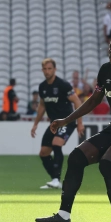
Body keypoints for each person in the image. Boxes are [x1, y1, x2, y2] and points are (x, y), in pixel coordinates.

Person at [35, 34, 111, 222]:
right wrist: (66, 120)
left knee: (107, 164)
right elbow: (94, 100)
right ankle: (63, 217)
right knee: (76, 157)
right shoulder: (106, 70)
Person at [31, 58, 84, 189]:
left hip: (67, 121)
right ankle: (55, 179)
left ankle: (56, 179)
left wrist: (80, 123)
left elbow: (77, 102)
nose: (47, 71)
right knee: (43, 153)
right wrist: (36, 124)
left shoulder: (63, 85)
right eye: (45, 69)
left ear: (55, 69)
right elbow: (42, 106)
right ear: (42, 70)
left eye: (50, 69)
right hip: (54, 124)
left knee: (56, 143)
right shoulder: (42, 87)